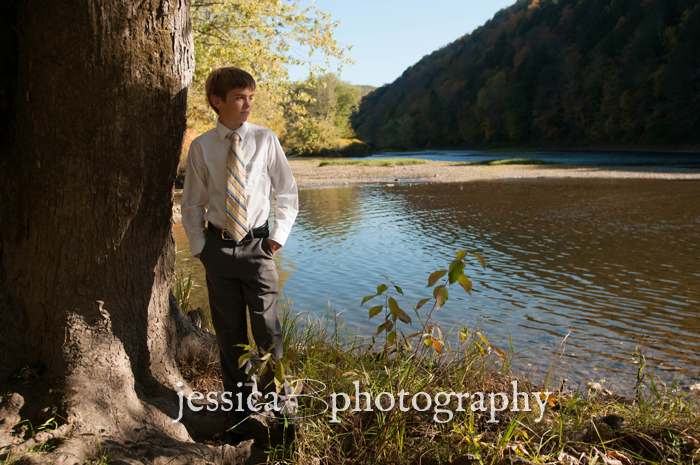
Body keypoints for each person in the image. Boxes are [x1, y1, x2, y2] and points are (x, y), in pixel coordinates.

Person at [181, 66, 298, 437]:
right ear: (217, 101)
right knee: (229, 332)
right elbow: (192, 203)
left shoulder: (265, 140)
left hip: (258, 247)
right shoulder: (202, 147)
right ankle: (239, 411)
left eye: (250, 97)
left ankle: (279, 404)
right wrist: (201, 248)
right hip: (219, 249)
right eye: (239, 98)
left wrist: (276, 238)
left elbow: (287, 192)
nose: (247, 105)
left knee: (267, 329)